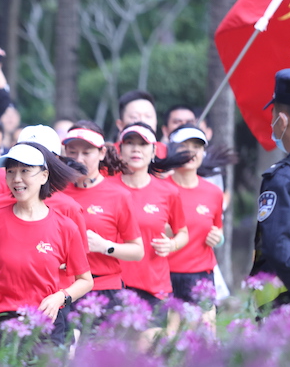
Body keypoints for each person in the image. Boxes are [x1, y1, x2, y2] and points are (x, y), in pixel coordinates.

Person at [0, 143, 92, 346]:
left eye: (25, 171)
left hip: (45, 323)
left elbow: (85, 280)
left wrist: (61, 297)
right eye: (10, 172)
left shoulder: (65, 227)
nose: (17, 179)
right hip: (0, 322)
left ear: (44, 176)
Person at [110, 123, 188, 329]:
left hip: (153, 286)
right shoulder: (106, 188)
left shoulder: (167, 192)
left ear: (153, 151)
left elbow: (183, 233)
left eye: (143, 144)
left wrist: (171, 245)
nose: (136, 149)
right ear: (120, 149)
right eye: (129, 143)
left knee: (149, 354)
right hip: (113, 285)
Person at [60, 121, 143, 309]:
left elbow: (137, 251)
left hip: (104, 290)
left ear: (102, 153)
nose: (79, 159)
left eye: (87, 153)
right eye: (72, 152)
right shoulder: (57, 191)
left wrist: (106, 246)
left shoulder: (118, 196)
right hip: (64, 290)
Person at [251, 68, 290, 309]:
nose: (271, 122)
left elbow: (280, 251)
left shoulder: (283, 179)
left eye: (273, 114)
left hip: (284, 309)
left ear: (283, 120)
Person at [164, 125, 223, 306]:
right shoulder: (159, 190)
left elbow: (218, 231)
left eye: (196, 147)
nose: (191, 152)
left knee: (204, 332)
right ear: (172, 150)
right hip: (164, 274)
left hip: (201, 275)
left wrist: (218, 238)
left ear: (203, 152)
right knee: (169, 332)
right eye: (184, 146)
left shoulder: (214, 192)